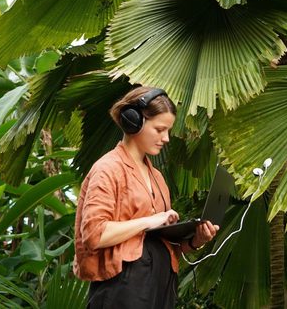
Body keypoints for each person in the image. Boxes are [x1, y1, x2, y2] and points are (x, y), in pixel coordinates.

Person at [73, 86, 218, 308]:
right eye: (159, 129)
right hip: (124, 289)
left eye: (168, 130)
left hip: (161, 287)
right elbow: (94, 235)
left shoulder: (158, 178)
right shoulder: (108, 168)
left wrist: (195, 240)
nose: (166, 138)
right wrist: (150, 221)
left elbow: (162, 246)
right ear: (134, 122)